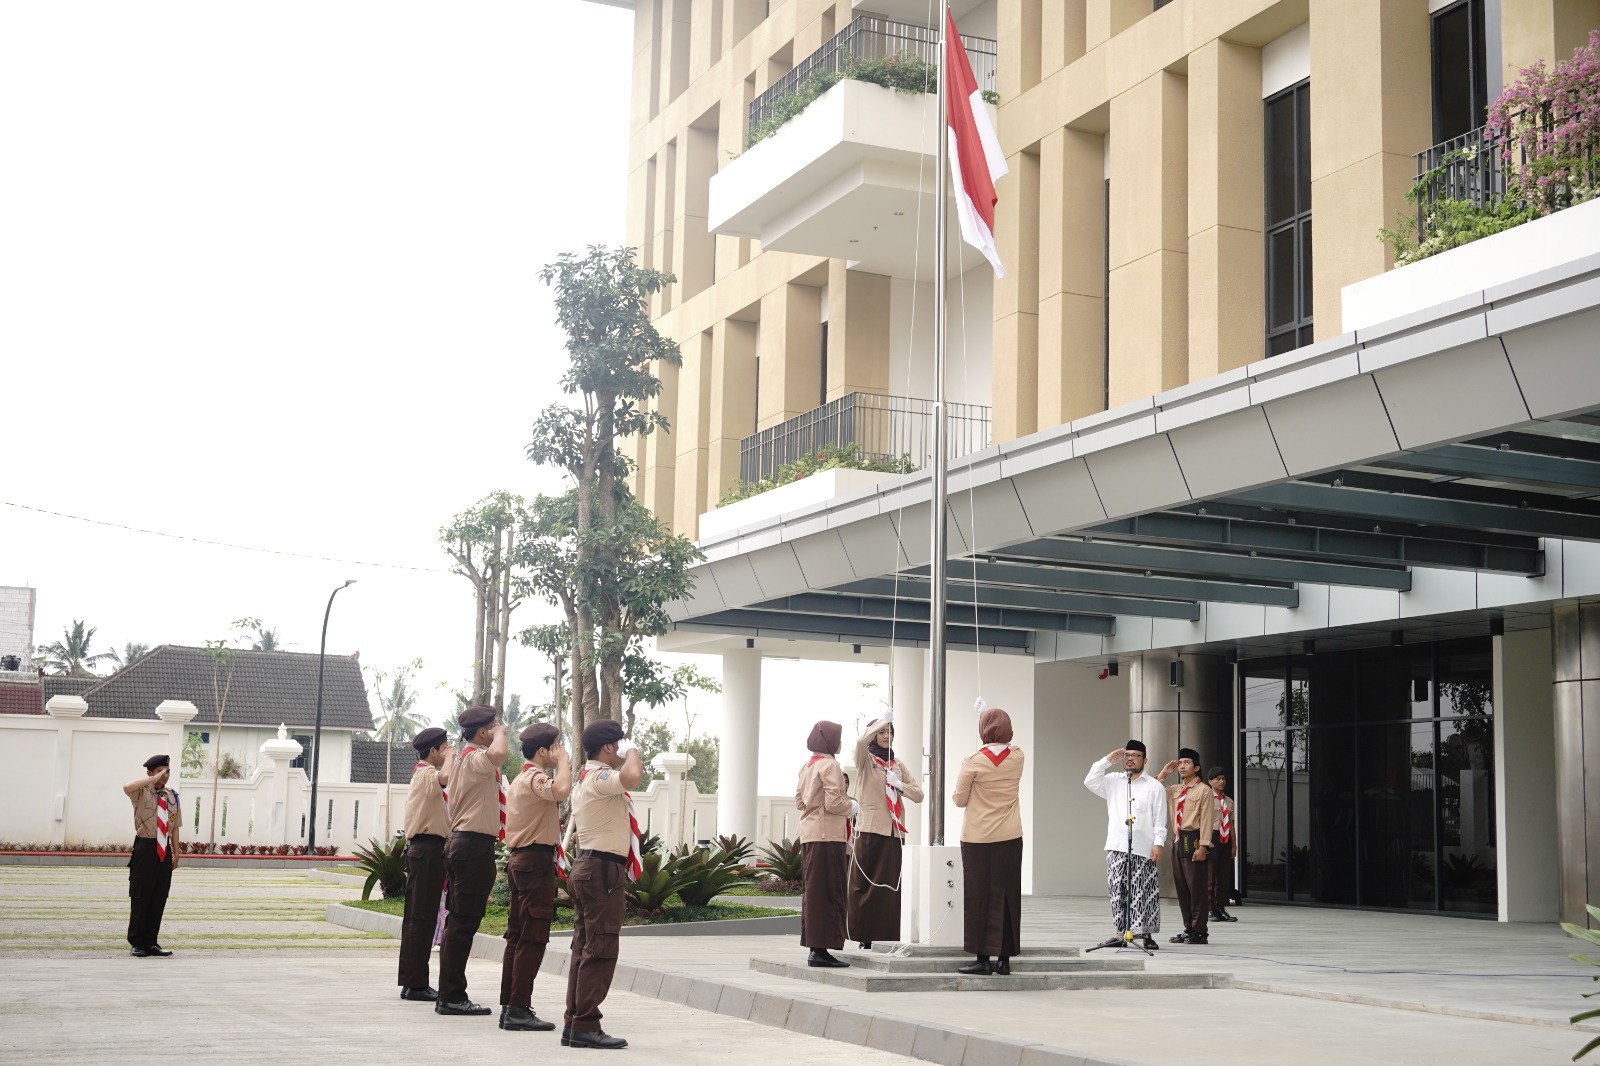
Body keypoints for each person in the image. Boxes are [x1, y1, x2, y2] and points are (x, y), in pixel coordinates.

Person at [562, 718, 643, 1050]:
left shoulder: (586, 778)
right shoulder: (600, 777)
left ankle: (575, 1022)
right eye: (619, 744)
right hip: (601, 871)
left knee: (584, 948)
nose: (622, 750)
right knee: (601, 948)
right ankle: (585, 1024)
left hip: (590, 867)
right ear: (609, 747)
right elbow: (632, 777)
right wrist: (634, 750)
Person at [498, 723, 570, 1032]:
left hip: (523, 861)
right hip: (534, 861)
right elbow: (561, 790)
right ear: (543, 751)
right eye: (556, 746)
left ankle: (511, 1006)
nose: (559, 751)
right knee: (532, 935)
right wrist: (565, 762)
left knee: (517, 935)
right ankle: (518, 1008)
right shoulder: (535, 778)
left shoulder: (520, 778)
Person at [436, 705, 506, 1016]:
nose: (498, 729)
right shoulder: (476, 757)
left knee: (459, 923)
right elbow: (499, 755)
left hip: (468, 845)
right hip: (472, 846)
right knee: (463, 924)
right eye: (493, 725)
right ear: (482, 732)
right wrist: (501, 735)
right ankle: (452, 996)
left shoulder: (468, 758)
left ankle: (449, 994)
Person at [952, 707, 1025, 976]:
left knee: (979, 896)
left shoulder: (972, 761)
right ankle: (1005, 959)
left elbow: (959, 799)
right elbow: (1004, 747)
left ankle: (982, 958)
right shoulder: (1018, 756)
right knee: (1007, 896)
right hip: (1009, 835)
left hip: (978, 837)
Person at [847, 712, 923, 950]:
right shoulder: (866, 760)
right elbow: (860, 742)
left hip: (894, 832)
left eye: (890, 732)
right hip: (871, 829)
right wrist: (882, 720)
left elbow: (918, 795)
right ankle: (864, 935)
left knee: (890, 886)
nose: (886, 736)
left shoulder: (897, 764)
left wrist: (900, 785)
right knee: (867, 884)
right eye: (882, 732)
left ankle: (888, 934)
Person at [1083, 741, 1168, 951]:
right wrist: (1106, 761)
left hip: (1143, 847)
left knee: (1143, 892)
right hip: (1116, 846)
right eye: (1127, 755)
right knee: (1118, 891)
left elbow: (1160, 818)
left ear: (1144, 760)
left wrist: (1158, 843)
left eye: (1135, 755)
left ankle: (1146, 934)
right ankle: (1120, 933)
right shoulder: (1113, 781)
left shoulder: (1154, 786)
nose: (1129, 758)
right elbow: (1089, 781)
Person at [795, 720, 857, 968]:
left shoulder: (807, 766)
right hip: (827, 835)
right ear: (830, 741)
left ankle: (816, 947)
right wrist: (853, 806)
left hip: (809, 834)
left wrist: (815, 805)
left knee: (814, 892)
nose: (840, 743)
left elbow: (799, 801)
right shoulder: (830, 765)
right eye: (838, 738)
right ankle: (820, 951)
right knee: (829, 891)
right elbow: (834, 804)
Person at [398, 726, 452, 1001]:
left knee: (421, 916)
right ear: (433, 751)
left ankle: (413, 981)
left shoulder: (424, 774)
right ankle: (416, 983)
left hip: (428, 849)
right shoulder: (426, 773)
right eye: (444, 747)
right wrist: (453, 757)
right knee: (421, 917)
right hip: (426, 848)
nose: (448, 752)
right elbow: (445, 777)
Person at [1156, 748, 1216, 945]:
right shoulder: (1175, 790)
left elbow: (1207, 819)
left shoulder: (1204, 790)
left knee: (1196, 888)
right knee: (1182, 888)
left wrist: (1204, 846)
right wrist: (1164, 773)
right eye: (1180, 762)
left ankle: (1200, 931)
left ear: (1196, 767)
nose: (1182, 766)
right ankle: (1189, 927)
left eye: (1187, 763)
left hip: (1195, 840)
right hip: (1178, 841)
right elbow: (1152, 792)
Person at [124, 753, 181, 957]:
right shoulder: (141, 792)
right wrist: (152, 781)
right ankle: (137, 942)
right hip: (145, 848)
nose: (165, 776)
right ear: (150, 773)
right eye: (160, 772)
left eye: (167, 772)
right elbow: (126, 786)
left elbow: (175, 827)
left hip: (164, 850)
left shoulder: (172, 796)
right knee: (141, 895)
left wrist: (176, 852)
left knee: (159, 896)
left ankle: (151, 942)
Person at [1206, 766, 1238, 923]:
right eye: (1217, 779)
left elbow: (1231, 824)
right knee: (1210, 876)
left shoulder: (1229, 801)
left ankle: (1220, 907)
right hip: (1211, 836)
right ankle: (1210, 908)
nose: (1221, 781)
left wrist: (1234, 844)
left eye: (1223, 779)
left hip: (1225, 838)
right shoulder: (1206, 798)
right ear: (1210, 781)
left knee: (1224, 875)